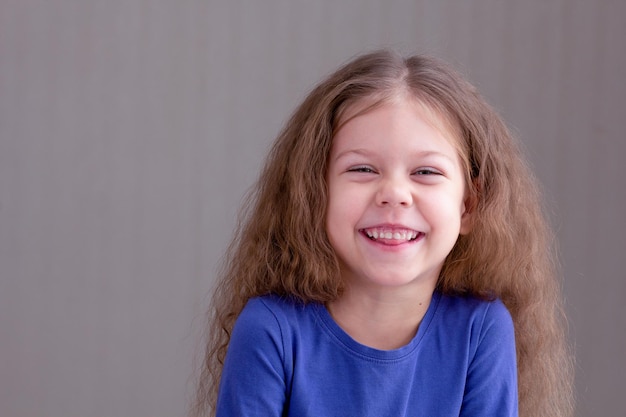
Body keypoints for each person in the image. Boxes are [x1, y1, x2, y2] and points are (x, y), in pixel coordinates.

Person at [191, 50, 574, 417]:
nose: (394, 194)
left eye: (426, 172)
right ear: (315, 195)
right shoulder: (270, 329)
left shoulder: (481, 330)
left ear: (468, 207)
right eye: (362, 169)